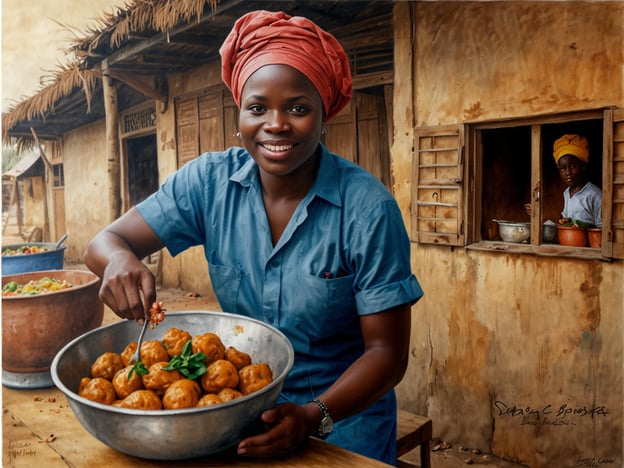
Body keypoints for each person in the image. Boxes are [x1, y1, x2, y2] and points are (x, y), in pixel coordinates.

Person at [84, 10, 423, 465]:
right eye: (258, 107)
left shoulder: (367, 210)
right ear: (240, 113)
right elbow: (103, 244)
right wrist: (119, 260)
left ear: (325, 115)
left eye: (298, 108)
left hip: (342, 423)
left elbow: (387, 354)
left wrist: (312, 416)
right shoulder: (208, 184)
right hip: (237, 413)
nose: (276, 124)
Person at [525, 134, 602, 227]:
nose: (568, 172)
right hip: (567, 241)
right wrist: (539, 214)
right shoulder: (567, 193)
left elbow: (601, 227)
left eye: (573, 167)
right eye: (563, 169)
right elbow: (565, 222)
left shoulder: (595, 194)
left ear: (583, 166)